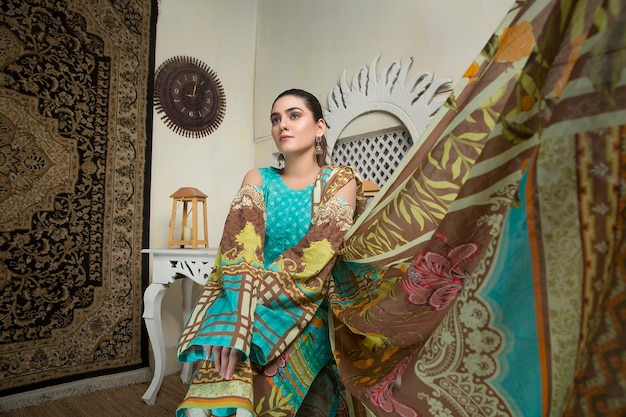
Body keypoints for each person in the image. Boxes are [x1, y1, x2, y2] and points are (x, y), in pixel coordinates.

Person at [176, 88, 365, 417]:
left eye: (294, 115)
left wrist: (245, 320)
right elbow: (237, 253)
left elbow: (313, 258)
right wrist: (234, 318)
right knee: (223, 339)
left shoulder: (340, 180)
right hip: (245, 295)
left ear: (319, 127)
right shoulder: (258, 178)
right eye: (276, 119)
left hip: (309, 300)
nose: (282, 125)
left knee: (253, 363)